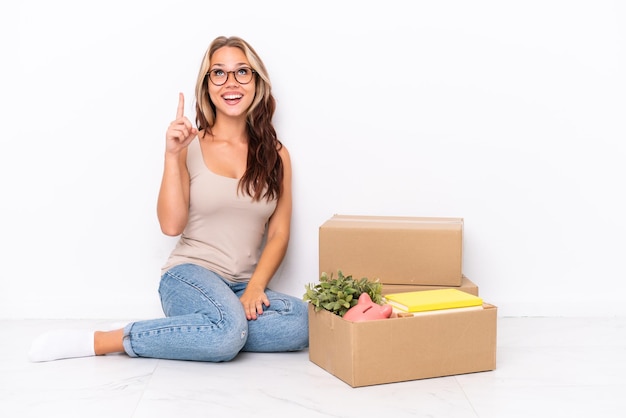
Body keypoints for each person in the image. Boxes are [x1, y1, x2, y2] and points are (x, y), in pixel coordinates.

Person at [28, 35, 309, 362]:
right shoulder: (189, 146)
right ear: (207, 86)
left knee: (300, 323)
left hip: (241, 287)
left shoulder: (277, 155)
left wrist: (256, 287)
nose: (230, 82)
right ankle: (108, 340)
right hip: (188, 276)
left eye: (242, 72)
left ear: (257, 82)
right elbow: (171, 225)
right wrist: (172, 155)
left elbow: (279, 234)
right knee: (227, 333)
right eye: (219, 73)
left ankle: (189, 331)